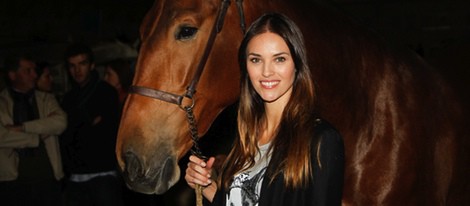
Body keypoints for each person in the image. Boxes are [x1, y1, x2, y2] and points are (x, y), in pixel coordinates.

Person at [185, 13, 345, 206]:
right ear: (246, 67)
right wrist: (204, 184)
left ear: (297, 64)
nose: (266, 71)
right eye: (256, 60)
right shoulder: (248, 136)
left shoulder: (321, 140)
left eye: (279, 59)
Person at [60, 43, 123, 206]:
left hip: (103, 174)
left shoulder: (106, 92)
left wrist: (78, 126)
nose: (77, 70)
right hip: (75, 176)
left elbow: (106, 130)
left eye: (82, 64)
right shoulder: (68, 98)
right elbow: (66, 134)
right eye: (73, 66)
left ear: (92, 65)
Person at [0, 54, 67, 206]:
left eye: (34, 70)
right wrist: (35, 138)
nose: (34, 75)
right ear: (12, 75)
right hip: (13, 183)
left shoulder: (46, 99)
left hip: (48, 178)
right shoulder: (2, 104)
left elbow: (60, 122)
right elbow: (2, 136)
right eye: (28, 71)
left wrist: (22, 127)